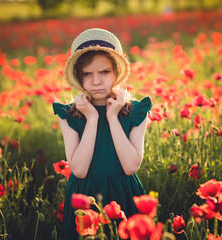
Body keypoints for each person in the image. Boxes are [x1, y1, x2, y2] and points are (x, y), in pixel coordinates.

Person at [52, 28, 152, 239]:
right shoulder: (68, 114)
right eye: (87, 74)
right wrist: (92, 118)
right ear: (79, 77)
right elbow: (78, 169)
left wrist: (113, 117)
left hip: (123, 194)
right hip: (84, 198)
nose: (96, 81)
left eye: (104, 72)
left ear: (116, 72)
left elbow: (130, 166)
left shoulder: (136, 112)